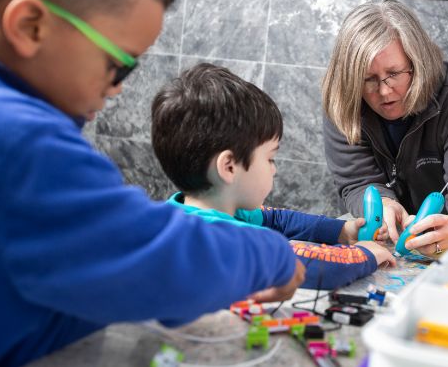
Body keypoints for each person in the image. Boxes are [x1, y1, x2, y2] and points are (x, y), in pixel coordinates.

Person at [0, 0, 305, 366]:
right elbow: (158, 263)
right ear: (31, 25)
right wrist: (274, 256)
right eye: (119, 65)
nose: (118, 89)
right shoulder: (15, 139)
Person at [150, 63, 396, 290]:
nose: (274, 169)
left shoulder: (197, 211)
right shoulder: (219, 240)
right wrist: (365, 254)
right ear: (229, 167)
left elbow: (278, 220)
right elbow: (304, 267)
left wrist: (342, 231)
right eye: (269, 158)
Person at [322, 0, 448, 256]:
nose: (385, 91)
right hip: (382, 242)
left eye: (394, 73)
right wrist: (381, 204)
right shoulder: (343, 99)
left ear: (417, 61)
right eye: (368, 79)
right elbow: (356, 181)